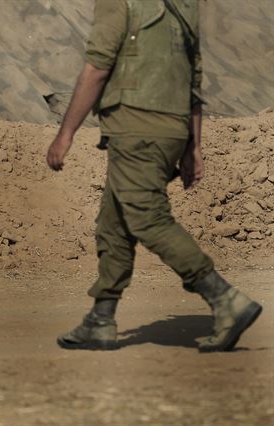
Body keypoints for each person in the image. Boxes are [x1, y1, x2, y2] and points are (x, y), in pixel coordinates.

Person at [46, 0, 261, 352]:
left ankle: (225, 299)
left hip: (136, 128)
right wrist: (194, 146)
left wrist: (65, 133)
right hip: (170, 130)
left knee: (147, 216)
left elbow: (97, 68)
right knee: (114, 223)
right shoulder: (184, 6)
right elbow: (194, 80)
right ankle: (100, 319)